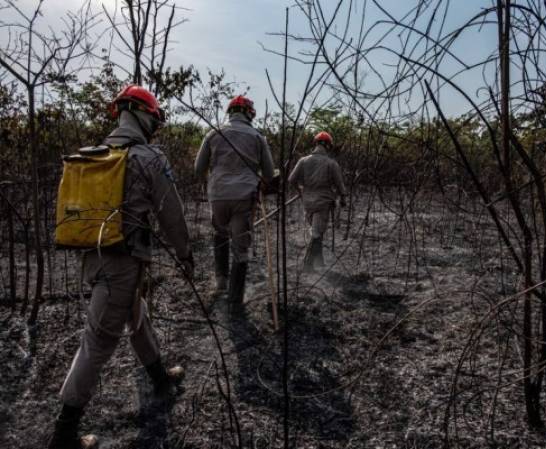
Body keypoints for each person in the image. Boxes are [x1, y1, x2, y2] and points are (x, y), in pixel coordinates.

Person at [48, 85, 193, 449]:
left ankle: (160, 377)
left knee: (137, 314)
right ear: (145, 115)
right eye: (155, 119)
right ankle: (63, 433)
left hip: (93, 258)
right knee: (97, 341)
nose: (155, 127)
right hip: (122, 263)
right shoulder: (147, 157)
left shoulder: (94, 154)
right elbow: (171, 214)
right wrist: (185, 253)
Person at [194, 95, 274, 309]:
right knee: (240, 246)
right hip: (244, 198)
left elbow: (198, 168)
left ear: (230, 112)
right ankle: (235, 298)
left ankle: (221, 281)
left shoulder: (213, 133)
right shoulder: (258, 137)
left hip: (218, 196)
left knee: (220, 234)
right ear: (249, 113)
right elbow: (268, 172)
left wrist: (212, 182)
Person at [288, 131, 347, 272]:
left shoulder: (303, 160)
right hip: (323, 202)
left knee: (315, 230)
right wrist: (343, 198)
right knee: (317, 233)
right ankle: (307, 265)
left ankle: (319, 261)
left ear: (315, 144)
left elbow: (291, 180)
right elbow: (340, 185)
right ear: (328, 146)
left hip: (307, 202)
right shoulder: (331, 163)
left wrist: (300, 190)